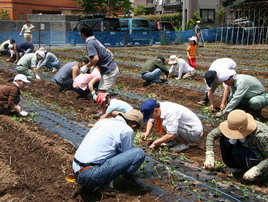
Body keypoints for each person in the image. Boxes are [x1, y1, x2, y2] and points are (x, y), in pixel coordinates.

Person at [72, 109, 145, 189]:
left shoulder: (103, 122)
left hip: (76, 170)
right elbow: (126, 157)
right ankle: (118, 184)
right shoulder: (127, 130)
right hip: (90, 176)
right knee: (139, 153)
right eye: (136, 130)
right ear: (134, 126)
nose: (134, 131)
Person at [204, 109, 268, 182]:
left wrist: (257, 169)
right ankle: (235, 167)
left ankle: (258, 176)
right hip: (244, 148)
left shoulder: (261, 135)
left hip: (258, 156)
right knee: (224, 139)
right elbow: (211, 135)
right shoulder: (233, 124)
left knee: (238, 151)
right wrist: (209, 155)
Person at [79, 23, 120, 100]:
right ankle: (105, 110)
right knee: (102, 92)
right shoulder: (93, 40)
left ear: (82, 34)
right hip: (110, 68)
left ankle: (108, 110)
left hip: (109, 70)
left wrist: (86, 67)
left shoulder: (90, 43)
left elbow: (95, 59)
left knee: (102, 93)